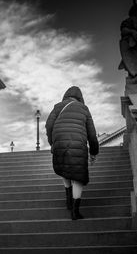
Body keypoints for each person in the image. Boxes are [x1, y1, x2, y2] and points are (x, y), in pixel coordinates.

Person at [45, 86, 99, 220]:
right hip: (78, 144)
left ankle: (68, 200)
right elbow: (92, 133)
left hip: (60, 142)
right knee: (78, 178)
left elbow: (48, 125)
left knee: (65, 168)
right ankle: (75, 211)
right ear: (80, 97)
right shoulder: (84, 109)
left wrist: (53, 142)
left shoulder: (57, 107)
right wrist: (94, 152)